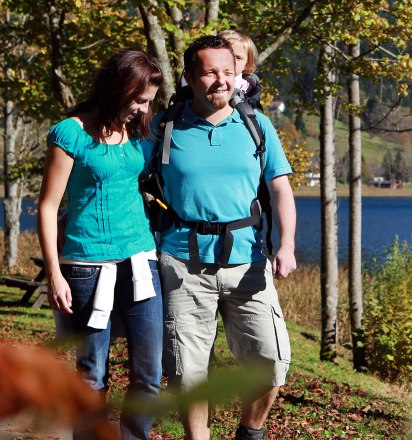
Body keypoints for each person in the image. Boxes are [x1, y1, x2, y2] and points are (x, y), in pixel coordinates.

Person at [148, 35, 296, 440]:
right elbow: (127, 176)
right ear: (189, 76)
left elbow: (280, 188)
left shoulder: (256, 124)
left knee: (272, 362)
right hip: (182, 264)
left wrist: (286, 245)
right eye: (210, 72)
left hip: (249, 263)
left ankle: (249, 432)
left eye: (228, 72)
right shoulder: (165, 127)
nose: (221, 81)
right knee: (188, 373)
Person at [37, 49, 164, 440]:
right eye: (139, 99)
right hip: (86, 266)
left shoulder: (136, 132)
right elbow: (48, 206)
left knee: (150, 374)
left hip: (141, 260)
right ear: (116, 88)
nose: (143, 109)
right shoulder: (71, 133)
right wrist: (54, 274)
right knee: (92, 374)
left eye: (149, 102)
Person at [217, 29, 260, 98]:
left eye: (238, 58)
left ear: (247, 64)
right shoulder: (205, 80)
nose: (231, 61)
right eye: (226, 55)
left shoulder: (247, 90)